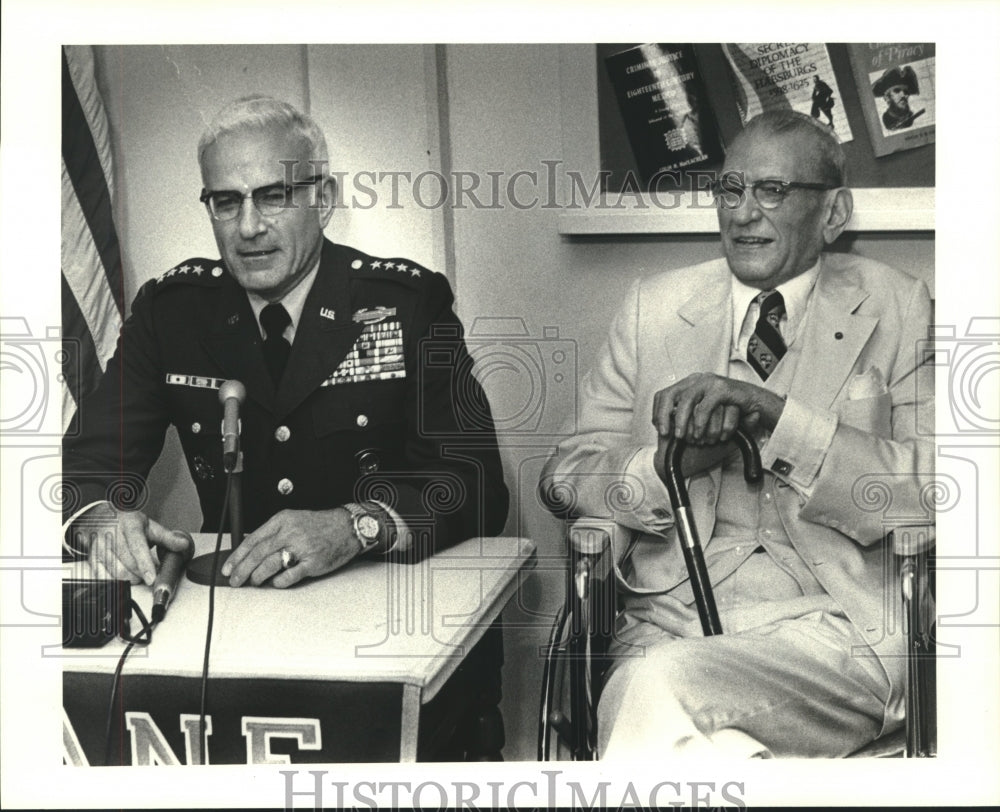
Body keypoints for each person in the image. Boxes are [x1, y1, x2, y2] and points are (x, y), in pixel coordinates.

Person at [541, 110, 934, 758]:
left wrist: (777, 419)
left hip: (836, 631)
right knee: (701, 740)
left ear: (833, 214)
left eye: (771, 191)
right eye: (729, 189)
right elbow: (566, 474)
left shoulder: (898, 305)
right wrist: (673, 465)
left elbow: (933, 487)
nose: (743, 213)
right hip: (673, 622)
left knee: (651, 692)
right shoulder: (654, 307)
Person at [63, 96, 508, 588]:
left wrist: (356, 525)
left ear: (323, 198)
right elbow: (86, 461)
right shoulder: (170, 313)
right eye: (226, 202)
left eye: (274, 196)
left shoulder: (407, 305)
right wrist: (96, 519)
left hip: (385, 602)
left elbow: (475, 486)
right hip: (237, 612)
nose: (249, 227)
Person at [872, 65, 925, 131]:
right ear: (887, 98)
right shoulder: (887, 122)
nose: (904, 95)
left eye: (906, 92)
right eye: (897, 91)